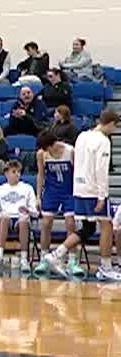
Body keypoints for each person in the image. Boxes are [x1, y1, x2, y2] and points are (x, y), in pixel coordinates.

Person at [42, 109, 119, 279]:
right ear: (111, 123)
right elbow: (100, 169)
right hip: (93, 189)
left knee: (88, 228)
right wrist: (102, 195)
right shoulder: (103, 141)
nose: (114, 131)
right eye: (114, 127)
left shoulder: (82, 136)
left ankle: (56, 254)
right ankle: (105, 267)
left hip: (79, 188)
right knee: (107, 225)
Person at [35, 130, 77, 275]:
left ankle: (72, 261)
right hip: (51, 191)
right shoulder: (41, 154)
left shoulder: (70, 151)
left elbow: (76, 173)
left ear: (52, 144)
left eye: (47, 148)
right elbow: (40, 175)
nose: (45, 151)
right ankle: (43, 258)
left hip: (69, 190)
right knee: (46, 223)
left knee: (71, 224)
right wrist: (38, 196)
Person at [0, 160, 38, 273]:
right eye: (14, 172)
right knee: (4, 217)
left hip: (21, 218)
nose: (17, 174)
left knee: (24, 220)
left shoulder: (28, 188)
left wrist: (28, 210)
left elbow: (35, 212)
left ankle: (24, 259)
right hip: (6, 219)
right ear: (6, 173)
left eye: (19, 172)